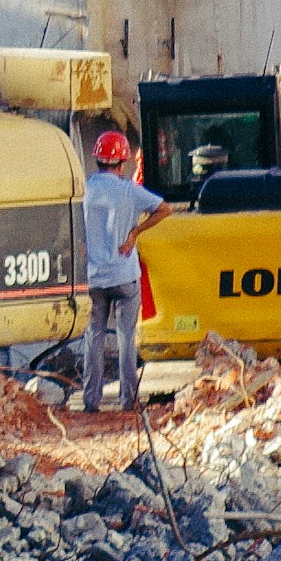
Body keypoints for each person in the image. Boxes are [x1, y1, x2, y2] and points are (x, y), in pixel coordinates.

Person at [77, 128, 168, 413]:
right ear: (123, 161)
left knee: (93, 336)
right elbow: (164, 209)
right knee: (127, 337)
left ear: (97, 160)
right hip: (125, 276)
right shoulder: (130, 191)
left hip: (93, 278)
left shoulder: (84, 190)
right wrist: (134, 233)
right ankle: (128, 399)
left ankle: (91, 400)